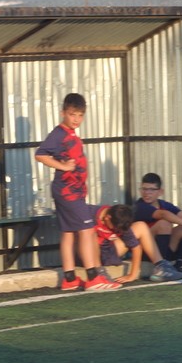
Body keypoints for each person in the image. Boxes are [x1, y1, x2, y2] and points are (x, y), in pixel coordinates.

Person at [35, 93, 120, 291]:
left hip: (72, 191)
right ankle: (92, 277)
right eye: (72, 114)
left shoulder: (71, 134)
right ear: (63, 113)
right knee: (87, 230)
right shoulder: (59, 134)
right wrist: (63, 166)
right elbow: (40, 154)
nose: (76, 119)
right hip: (68, 192)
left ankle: (69, 278)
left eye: (80, 115)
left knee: (68, 233)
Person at [91, 203, 182, 284]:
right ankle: (98, 272)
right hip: (92, 254)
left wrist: (133, 275)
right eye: (116, 228)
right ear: (107, 218)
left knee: (141, 226)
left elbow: (136, 247)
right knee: (90, 234)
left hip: (110, 250)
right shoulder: (89, 214)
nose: (116, 230)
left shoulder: (120, 217)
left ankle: (161, 267)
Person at [134, 172, 182, 273]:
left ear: (160, 192)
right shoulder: (139, 206)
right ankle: (161, 266)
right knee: (164, 223)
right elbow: (163, 214)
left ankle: (179, 264)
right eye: (144, 189)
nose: (147, 193)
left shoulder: (164, 204)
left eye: (151, 189)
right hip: (146, 252)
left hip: (165, 249)